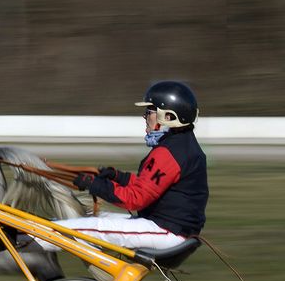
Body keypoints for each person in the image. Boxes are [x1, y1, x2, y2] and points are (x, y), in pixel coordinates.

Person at [31, 80, 208, 253]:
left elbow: (136, 199)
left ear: (168, 116)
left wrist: (96, 185)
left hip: (165, 232)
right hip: (169, 229)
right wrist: (118, 177)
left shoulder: (168, 153)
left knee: (87, 227)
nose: (145, 117)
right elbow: (151, 185)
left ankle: (22, 239)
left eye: (150, 111)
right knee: (96, 219)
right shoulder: (183, 145)